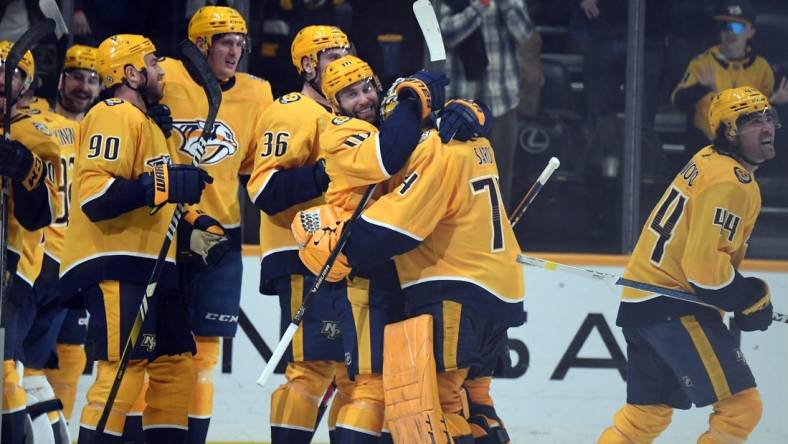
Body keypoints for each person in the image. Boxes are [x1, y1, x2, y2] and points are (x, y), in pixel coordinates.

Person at [302, 96, 524, 443]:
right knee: (474, 399)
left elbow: (398, 227)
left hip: (456, 288)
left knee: (438, 406)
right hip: (499, 288)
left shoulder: (433, 150)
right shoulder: (475, 140)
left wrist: (342, 247)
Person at [115, 7, 275, 444]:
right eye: (227, 41)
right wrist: (145, 112)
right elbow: (116, 104)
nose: (236, 50)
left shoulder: (259, 94)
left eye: (241, 42)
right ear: (201, 44)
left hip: (219, 235)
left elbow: (252, 165)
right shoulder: (161, 73)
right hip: (161, 231)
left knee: (203, 355)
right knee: (146, 351)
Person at [598, 86, 776, 443]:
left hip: (642, 303)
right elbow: (704, 272)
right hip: (674, 307)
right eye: (753, 121)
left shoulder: (708, 158)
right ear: (729, 132)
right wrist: (750, 295)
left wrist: (743, 299)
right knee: (742, 407)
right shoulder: (731, 183)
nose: (768, 126)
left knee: (644, 418)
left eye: (770, 117)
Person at [58, 33, 213, 443]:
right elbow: (94, 195)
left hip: (155, 265)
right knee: (123, 370)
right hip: (116, 261)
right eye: (152, 62)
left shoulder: (150, 126)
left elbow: (162, 193)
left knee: (175, 368)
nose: (161, 71)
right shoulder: (111, 113)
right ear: (130, 73)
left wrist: (196, 223)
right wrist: (162, 184)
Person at [290, 54, 447, 443]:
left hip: (390, 269)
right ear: (333, 104)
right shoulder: (340, 131)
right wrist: (414, 98)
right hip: (359, 272)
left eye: (366, 89)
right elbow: (386, 157)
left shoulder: (379, 124)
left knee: (393, 385)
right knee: (371, 384)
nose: (364, 100)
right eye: (350, 95)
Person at [245, 24, 352, 444]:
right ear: (307, 65)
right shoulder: (290, 110)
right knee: (311, 369)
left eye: (345, 54)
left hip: (336, 257)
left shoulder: (338, 115)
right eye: (331, 56)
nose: (340, 63)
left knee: (344, 370)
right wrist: (325, 171)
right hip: (302, 254)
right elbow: (265, 190)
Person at [0, 40, 64, 444]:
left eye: (8, 75)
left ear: (24, 84)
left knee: (5, 368)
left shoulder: (33, 138)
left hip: (11, 271)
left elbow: (41, 214)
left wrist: (26, 173)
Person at [42, 44, 101, 425]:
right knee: (32, 355)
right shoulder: (39, 124)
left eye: (93, 79)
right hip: (41, 258)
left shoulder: (104, 131)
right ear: (61, 80)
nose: (84, 86)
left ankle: (55, 432)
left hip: (80, 260)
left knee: (73, 353)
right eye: (77, 76)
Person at [435, 0, 534, 211]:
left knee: (500, 177)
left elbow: (524, 33)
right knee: (460, 178)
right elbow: (446, 34)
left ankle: (498, 237)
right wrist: (481, 5)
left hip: (502, 100)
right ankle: (464, 238)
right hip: (462, 107)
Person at [672, 0, 788, 164]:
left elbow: (767, 116)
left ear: (751, 31)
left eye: (737, 27)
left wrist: (777, 103)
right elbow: (678, 102)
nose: (729, 32)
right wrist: (701, 88)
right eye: (725, 26)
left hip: (747, 154)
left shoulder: (761, 68)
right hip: (706, 151)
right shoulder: (703, 63)